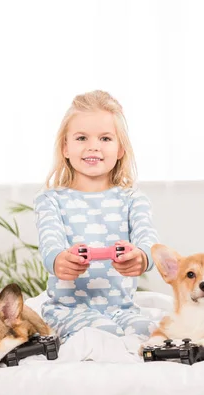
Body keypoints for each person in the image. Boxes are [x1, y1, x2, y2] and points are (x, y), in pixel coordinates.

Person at [34, 89, 159, 343]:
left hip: (122, 310)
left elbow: (149, 243)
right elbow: (50, 246)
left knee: (151, 334)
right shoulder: (51, 200)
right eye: (81, 138)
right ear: (65, 147)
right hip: (68, 311)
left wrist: (141, 258)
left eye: (105, 138)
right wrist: (61, 260)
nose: (93, 146)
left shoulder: (133, 199)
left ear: (121, 148)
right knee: (104, 335)